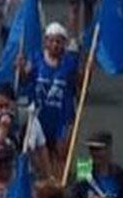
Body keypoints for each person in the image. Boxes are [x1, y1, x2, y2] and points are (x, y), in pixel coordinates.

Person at [25, 22, 83, 154]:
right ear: (45, 42)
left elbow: (82, 84)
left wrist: (87, 72)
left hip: (63, 118)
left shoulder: (70, 62)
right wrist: (20, 69)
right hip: (40, 118)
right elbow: (24, 79)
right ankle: (48, 174)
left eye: (59, 41)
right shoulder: (36, 59)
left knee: (65, 152)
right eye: (51, 41)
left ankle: (83, 174)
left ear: (64, 44)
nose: (55, 45)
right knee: (40, 153)